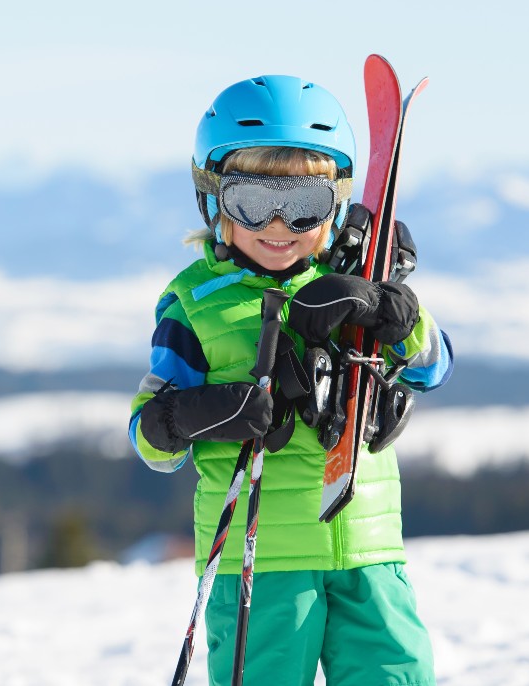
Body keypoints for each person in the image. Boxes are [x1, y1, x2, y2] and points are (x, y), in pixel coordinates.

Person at [128, 74, 453, 686]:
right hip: (260, 565)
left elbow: (435, 370)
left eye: (303, 203)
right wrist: (196, 414)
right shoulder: (196, 304)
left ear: (335, 203)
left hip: (370, 548)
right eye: (253, 200)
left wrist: (400, 317)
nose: (278, 224)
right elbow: (150, 442)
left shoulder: (357, 284)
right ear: (213, 198)